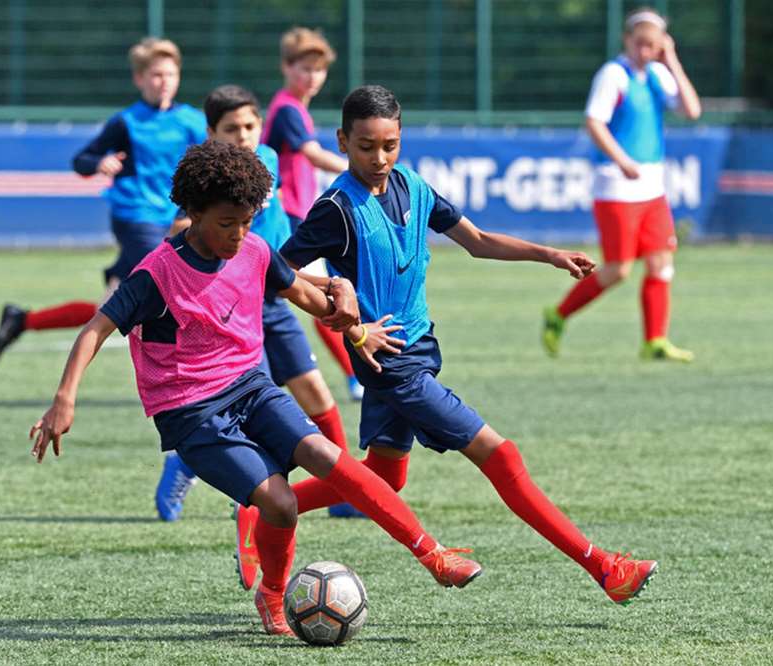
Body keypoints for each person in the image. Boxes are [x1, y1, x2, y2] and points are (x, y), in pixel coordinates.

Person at [28, 141, 483, 637]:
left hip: (250, 386)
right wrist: (63, 400)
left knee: (333, 459)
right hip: (192, 410)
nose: (238, 235)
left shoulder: (256, 250)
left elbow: (309, 295)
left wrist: (348, 308)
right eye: (227, 224)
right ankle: (273, 593)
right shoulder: (158, 272)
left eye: (247, 222)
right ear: (195, 213)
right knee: (281, 504)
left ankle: (433, 555)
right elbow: (95, 329)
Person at [236, 85, 657, 606]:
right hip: (393, 366)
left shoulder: (413, 186)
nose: (379, 157)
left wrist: (548, 254)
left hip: (419, 349)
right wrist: (351, 324)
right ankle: (604, 567)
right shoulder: (336, 209)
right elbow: (277, 273)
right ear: (343, 141)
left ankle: (260, 509)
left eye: (389, 144)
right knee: (501, 455)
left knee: (385, 476)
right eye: (366, 146)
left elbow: (477, 242)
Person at [0, 37, 206, 521]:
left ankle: (23, 320)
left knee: (114, 308)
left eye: (169, 74)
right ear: (139, 78)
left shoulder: (192, 121)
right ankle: (180, 392)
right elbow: (82, 160)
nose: (162, 81)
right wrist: (100, 164)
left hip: (177, 218)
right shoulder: (127, 122)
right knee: (153, 304)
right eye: (153, 74)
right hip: (137, 220)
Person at [166, 83, 364, 523]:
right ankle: (191, 473)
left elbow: (274, 240)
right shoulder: (202, 178)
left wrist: (301, 275)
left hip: (273, 296)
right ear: (210, 133)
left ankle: (342, 491)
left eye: (250, 126)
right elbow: (178, 231)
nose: (243, 136)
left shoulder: (269, 162)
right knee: (249, 412)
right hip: (230, 310)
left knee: (315, 391)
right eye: (231, 128)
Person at [542, 7, 702, 361]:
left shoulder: (659, 75)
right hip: (616, 186)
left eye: (653, 45)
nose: (645, 51)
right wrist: (623, 161)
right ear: (627, 40)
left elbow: (692, 110)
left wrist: (672, 58)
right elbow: (594, 122)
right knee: (618, 270)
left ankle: (655, 340)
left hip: (653, 189)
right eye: (640, 43)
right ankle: (558, 314)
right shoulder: (613, 75)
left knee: (662, 262)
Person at [262, 26, 364, 401]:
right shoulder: (287, 108)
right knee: (323, 295)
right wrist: (357, 168)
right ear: (287, 68)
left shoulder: (295, 108)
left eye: (318, 70)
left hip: (296, 213)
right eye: (304, 68)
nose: (312, 76)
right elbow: (309, 153)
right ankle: (355, 374)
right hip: (287, 215)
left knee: (311, 295)